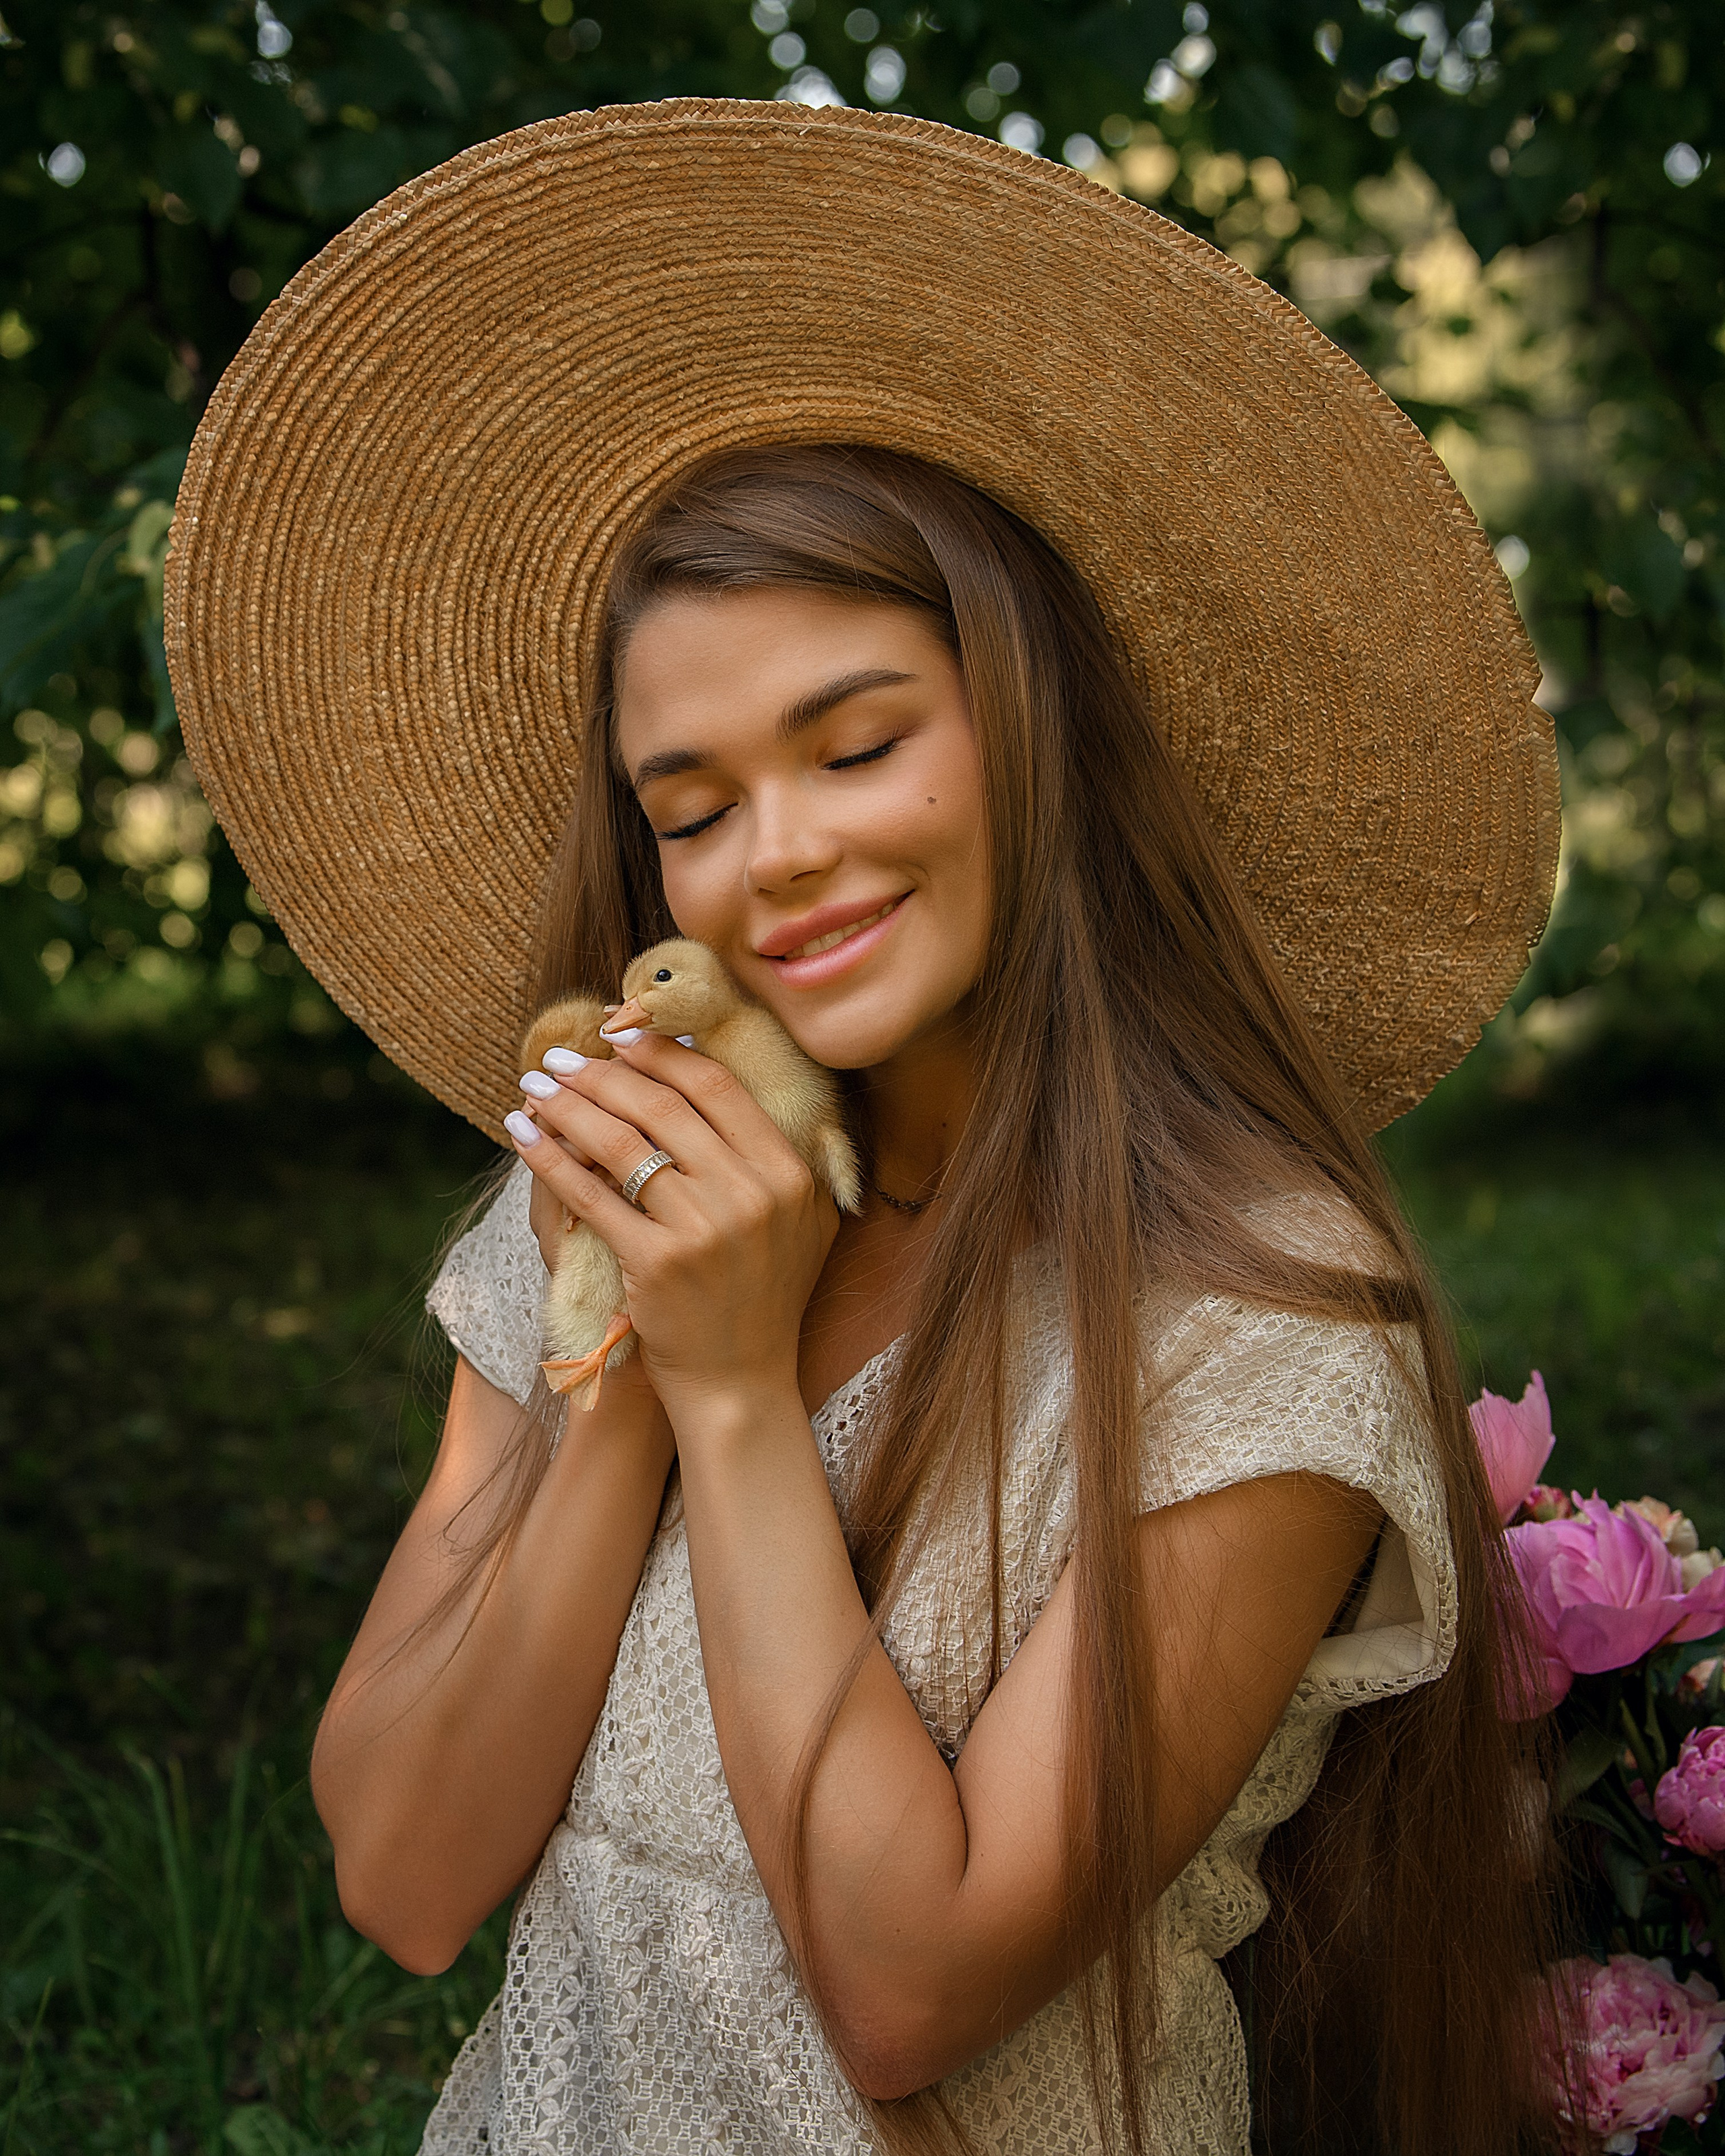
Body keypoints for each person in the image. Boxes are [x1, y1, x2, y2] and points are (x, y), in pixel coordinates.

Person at [165, 101, 1568, 2155]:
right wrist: (637, 1351)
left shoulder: (1259, 1321)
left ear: (1029, 728)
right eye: (696, 807)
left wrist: (739, 1394)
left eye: (859, 743)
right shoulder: (603, 1203)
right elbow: (404, 1874)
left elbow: (909, 1984)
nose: (783, 859)